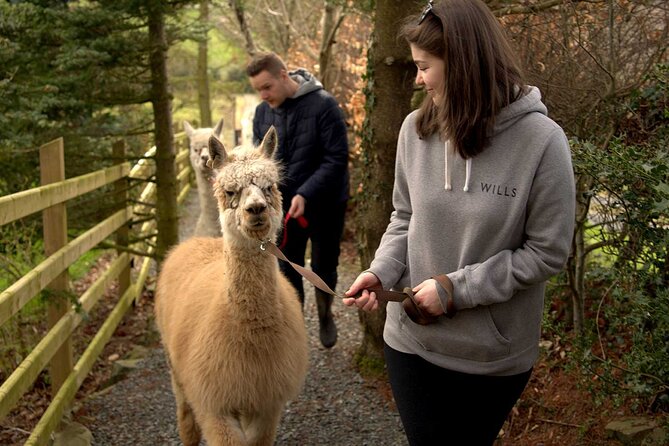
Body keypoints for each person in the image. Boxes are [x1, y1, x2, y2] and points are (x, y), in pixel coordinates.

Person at [343, 0, 575, 444]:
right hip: (410, 342)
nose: (417, 79)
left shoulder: (542, 142)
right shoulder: (415, 130)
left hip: (490, 356)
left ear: (464, 63)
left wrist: (456, 290)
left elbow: (547, 251)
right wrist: (380, 271)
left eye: (425, 66)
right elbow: (404, 217)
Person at [247, 52, 349, 349]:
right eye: (258, 90)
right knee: (287, 267)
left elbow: (336, 158)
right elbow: (259, 162)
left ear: (283, 75)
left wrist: (306, 192)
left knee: (323, 264)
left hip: (326, 203)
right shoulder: (262, 114)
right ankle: (296, 327)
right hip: (284, 207)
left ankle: (325, 313)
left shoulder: (324, 105)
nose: (263, 95)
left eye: (267, 87)